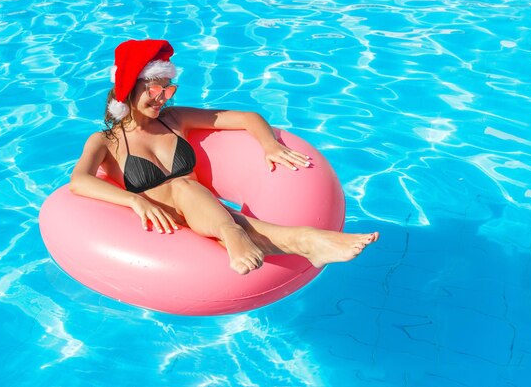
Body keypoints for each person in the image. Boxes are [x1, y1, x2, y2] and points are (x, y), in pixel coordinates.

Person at [70, 39, 379, 275]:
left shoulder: (175, 119)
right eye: (155, 90)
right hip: (172, 228)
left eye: (168, 89)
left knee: (186, 188)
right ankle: (300, 240)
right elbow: (79, 181)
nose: (163, 98)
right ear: (129, 87)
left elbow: (247, 117)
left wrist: (269, 145)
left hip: (205, 213)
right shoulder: (105, 141)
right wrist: (137, 201)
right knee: (183, 188)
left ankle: (292, 240)